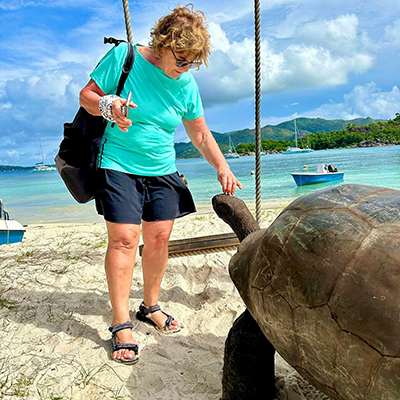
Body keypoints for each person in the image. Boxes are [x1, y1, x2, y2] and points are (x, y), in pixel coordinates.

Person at [79, 4, 242, 364]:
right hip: (118, 163)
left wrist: (221, 165)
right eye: (180, 59)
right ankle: (120, 322)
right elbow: (86, 96)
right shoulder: (125, 57)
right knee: (124, 239)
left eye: (191, 62)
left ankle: (149, 305)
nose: (184, 67)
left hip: (162, 168)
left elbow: (198, 131)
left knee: (159, 239)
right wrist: (109, 104)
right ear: (162, 43)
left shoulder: (186, 83)